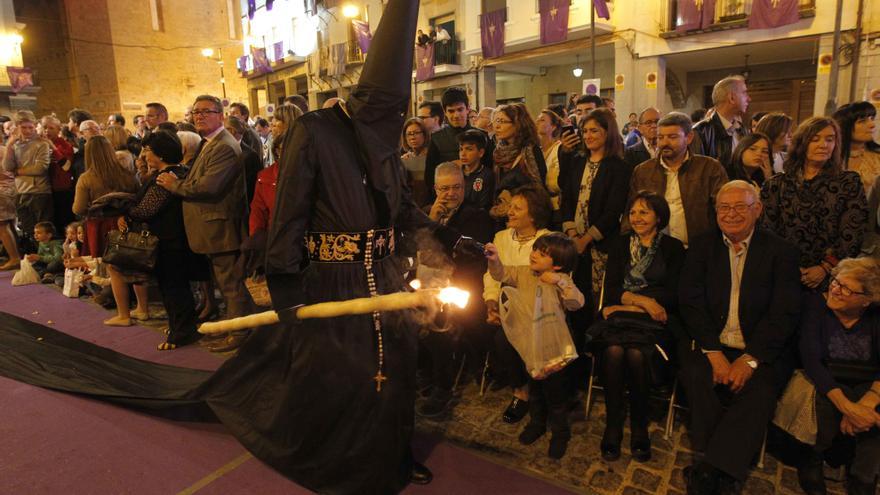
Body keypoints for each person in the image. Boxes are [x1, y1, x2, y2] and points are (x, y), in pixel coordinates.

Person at [198, 1, 479, 488]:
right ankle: (345, 458)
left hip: (388, 273)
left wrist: (453, 237)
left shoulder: (384, 137)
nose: (394, 120)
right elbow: (289, 214)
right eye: (386, 109)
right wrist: (285, 283)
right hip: (335, 280)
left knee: (398, 368)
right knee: (343, 373)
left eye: (399, 111)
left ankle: (393, 452)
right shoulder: (315, 131)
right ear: (367, 98)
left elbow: (400, 211)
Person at [679, 180, 802, 493]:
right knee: (696, 376)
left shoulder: (781, 252)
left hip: (759, 348)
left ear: (757, 210)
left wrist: (750, 358)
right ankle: (723, 469)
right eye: (724, 207)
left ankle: (709, 470)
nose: (731, 214)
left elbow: (784, 313)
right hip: (713, 344)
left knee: (759, 390)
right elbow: (691, 303)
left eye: (740, 207)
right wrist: (713, 352)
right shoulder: (702, 245)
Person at [594, 191, 685, 463]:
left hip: (657, 324)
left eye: (644, 212)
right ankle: (613, 424)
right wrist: (642, 302)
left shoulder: (673, 248)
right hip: (626, 318)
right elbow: (610, 291)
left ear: (659, 217)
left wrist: (627, 304)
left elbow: (673, 295)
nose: (637, 218)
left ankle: (639, 426)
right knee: (613, 351)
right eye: (633, 212)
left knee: (635, 353)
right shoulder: (620, 245)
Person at [156, 95, 251, 353]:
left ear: (220, 116)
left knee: (230, 284)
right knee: (228, 282)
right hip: (210, 226)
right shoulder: (210, 142)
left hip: (220, 226)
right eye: (196, 112)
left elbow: (209, 186)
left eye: (206, 112)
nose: (199, 116)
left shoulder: (223, 146)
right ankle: (244, 326)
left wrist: (173, 184)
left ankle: (240, 334)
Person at [485, 232, 584, 459]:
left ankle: (560, 432)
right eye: (535, 250)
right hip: (530, 344)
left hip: (553, 348)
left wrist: (560, 282)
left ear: (558, 265)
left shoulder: (563, 280)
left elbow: (577, 302)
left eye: (542, 254)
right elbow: (502, 273)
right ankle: (537, 423)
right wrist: (494, 260)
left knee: (556, 394)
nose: (534, 255)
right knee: (536, 389)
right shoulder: (524, 273)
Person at [796, 257, 880, 495]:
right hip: (826, 377)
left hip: (867, 382)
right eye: (835, 281)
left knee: (876, 410)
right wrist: (848, 409)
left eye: (846, 288)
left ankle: (863, 478)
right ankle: (812, 459)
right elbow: (812, 361)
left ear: (866, 300)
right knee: (821, 402)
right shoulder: (815, 305)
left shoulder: (876, 315)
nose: (835, 289)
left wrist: (865, 405)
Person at [116, 131, 205, 350]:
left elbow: (146, 210)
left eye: (148, 150)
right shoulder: (177, 172)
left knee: (174, 288)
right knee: (175, 287)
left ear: (161, 154)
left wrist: (125, 209)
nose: (145, 155)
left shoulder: (166, 178)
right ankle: (179, 326)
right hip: (174, 240)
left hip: (169, 242)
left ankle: (181, 332)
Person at [418, 163, 494, 417]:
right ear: (435, 188)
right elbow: (416, 248)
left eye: (457, 187)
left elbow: (470, 257)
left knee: (441, 321)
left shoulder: (477, 216)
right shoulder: (426, 213)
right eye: (445, 188)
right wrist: (431, 220)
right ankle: (421, 372)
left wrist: (437, 228)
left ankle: (443, 387)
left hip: (462, 288)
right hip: (427, 284)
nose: (451, 193)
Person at [761, 117, 868, 291]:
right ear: (801, 143)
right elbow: (767, 232)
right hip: (782, 274)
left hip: (832, 278)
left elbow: (853, 232)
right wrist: (788, 268)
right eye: (815, 139)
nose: (823, 145)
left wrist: (825, 268)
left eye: (830, 139)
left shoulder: (849, 182)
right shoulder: (776, 184)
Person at [484, 184, 554, 424]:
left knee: (514, 338)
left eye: (517, 208)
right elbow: (492, 275)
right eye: (509, 207)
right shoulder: (501, 238)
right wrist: (491, 301)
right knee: (498, 337)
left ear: (533, 214)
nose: (509, 212)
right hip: (507, 308)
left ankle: (537, 396)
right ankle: (519, 391)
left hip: (538, 309)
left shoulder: (547, 240)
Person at [559, 108, 630, 310]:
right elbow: (567, 197)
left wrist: (586, 239)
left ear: (608, 133)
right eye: (585, 131)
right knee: (574, 299)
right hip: (573, 241)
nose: (588, 136)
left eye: (594, 131)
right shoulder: (577, 161)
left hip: (602, 243)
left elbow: (613, 209)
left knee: (598, 299)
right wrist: (572, 234)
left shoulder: (619, 167)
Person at [626, 112, 728, 248]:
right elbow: (631, 210)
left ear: (689, 137)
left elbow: (723, 208)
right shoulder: (643, 171)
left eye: (672, 137)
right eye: (660, 137)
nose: (664, 143)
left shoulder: (709, 168)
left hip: (698, 248)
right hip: (656, 251)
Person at [71, 136, 139, 255]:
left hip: (98, 228)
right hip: (125, 225)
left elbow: (78, 209)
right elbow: (137, 199)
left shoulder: (86, 178)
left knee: (101, 265)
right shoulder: (129, 175)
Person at [424, 87, 493, 198]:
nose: (456, 115)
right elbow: (430, 177)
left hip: (479, 197)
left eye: (460, 109)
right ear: (445, 112)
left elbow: (490, 169)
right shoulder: (437, 138)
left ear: (468, 108)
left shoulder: (483, 136)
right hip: (448, 198)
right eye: (451, 111)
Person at [3, 110, 52, 252]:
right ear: (17, 127)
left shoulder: (41, 143)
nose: (28, 131)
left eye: (30, 127)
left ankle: (47, 259)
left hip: (40, 191)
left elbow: (40, 168)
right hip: (21, 191)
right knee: (29, 230)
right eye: (24, 127)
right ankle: (37, 258)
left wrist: (18, 171)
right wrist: (9, 146)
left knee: (44, 229)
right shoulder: (14, 144)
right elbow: (7, 167)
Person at [490, 103, 547, 223]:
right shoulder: (498, 152)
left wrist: (512, 199)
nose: (497, 126)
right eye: (495, 121)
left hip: (526, 217)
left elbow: (538, 187)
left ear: (518, 124)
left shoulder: (530, 150)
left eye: (502, 121)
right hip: (502, 217)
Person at [691, 75, 751, 170]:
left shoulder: (742, 130)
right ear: (731, 98)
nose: (749, 99)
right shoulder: (701, 132)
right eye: (744, 93)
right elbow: (697, 172)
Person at [834, 101, 880, 197]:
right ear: (844, 126)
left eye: (872, 118)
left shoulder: (877, 157)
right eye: (862, 121)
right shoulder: (829, 158)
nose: (872, 125)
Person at [42, 115, 76, 234]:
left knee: (63, 221)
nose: (47, 130)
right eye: (45, 127)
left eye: (51, 128)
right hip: (45, 189)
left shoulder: (65, 145)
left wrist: (52, 146)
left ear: (58, 129)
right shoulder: (40, 145)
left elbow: (66, 166)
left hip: (62, 189)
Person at [223, 116, 262, 204]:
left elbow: (251, 187)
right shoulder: (226, 150)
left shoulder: (249, 155)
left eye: (223, 130)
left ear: (231, 131)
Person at [536, 109, 563, 222]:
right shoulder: (537, 151)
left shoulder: (559, 148)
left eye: (542, 120)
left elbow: (555, 183)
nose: (537, 121)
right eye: (537, 119)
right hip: (540, 206)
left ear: (553, 127)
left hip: (556, 207)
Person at [456, 129, 494, 211]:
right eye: (461, 149)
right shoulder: (455, 173)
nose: (463, 154)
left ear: (481, 153)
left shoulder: (487, 175)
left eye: (469, 149)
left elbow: (484, 207)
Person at [400, 117, 430, 207]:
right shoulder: (404, 159)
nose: (412, 137)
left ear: (424, 134)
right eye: (409, 134)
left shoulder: (432, 156)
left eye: (416, 133)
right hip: (411, 205)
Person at [0, 136, 19, 270]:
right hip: (13, 187)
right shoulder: (5, 149)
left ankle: (14, 258)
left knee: (2, 225)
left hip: (2, 190)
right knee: (10, 223)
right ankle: (16, 254)